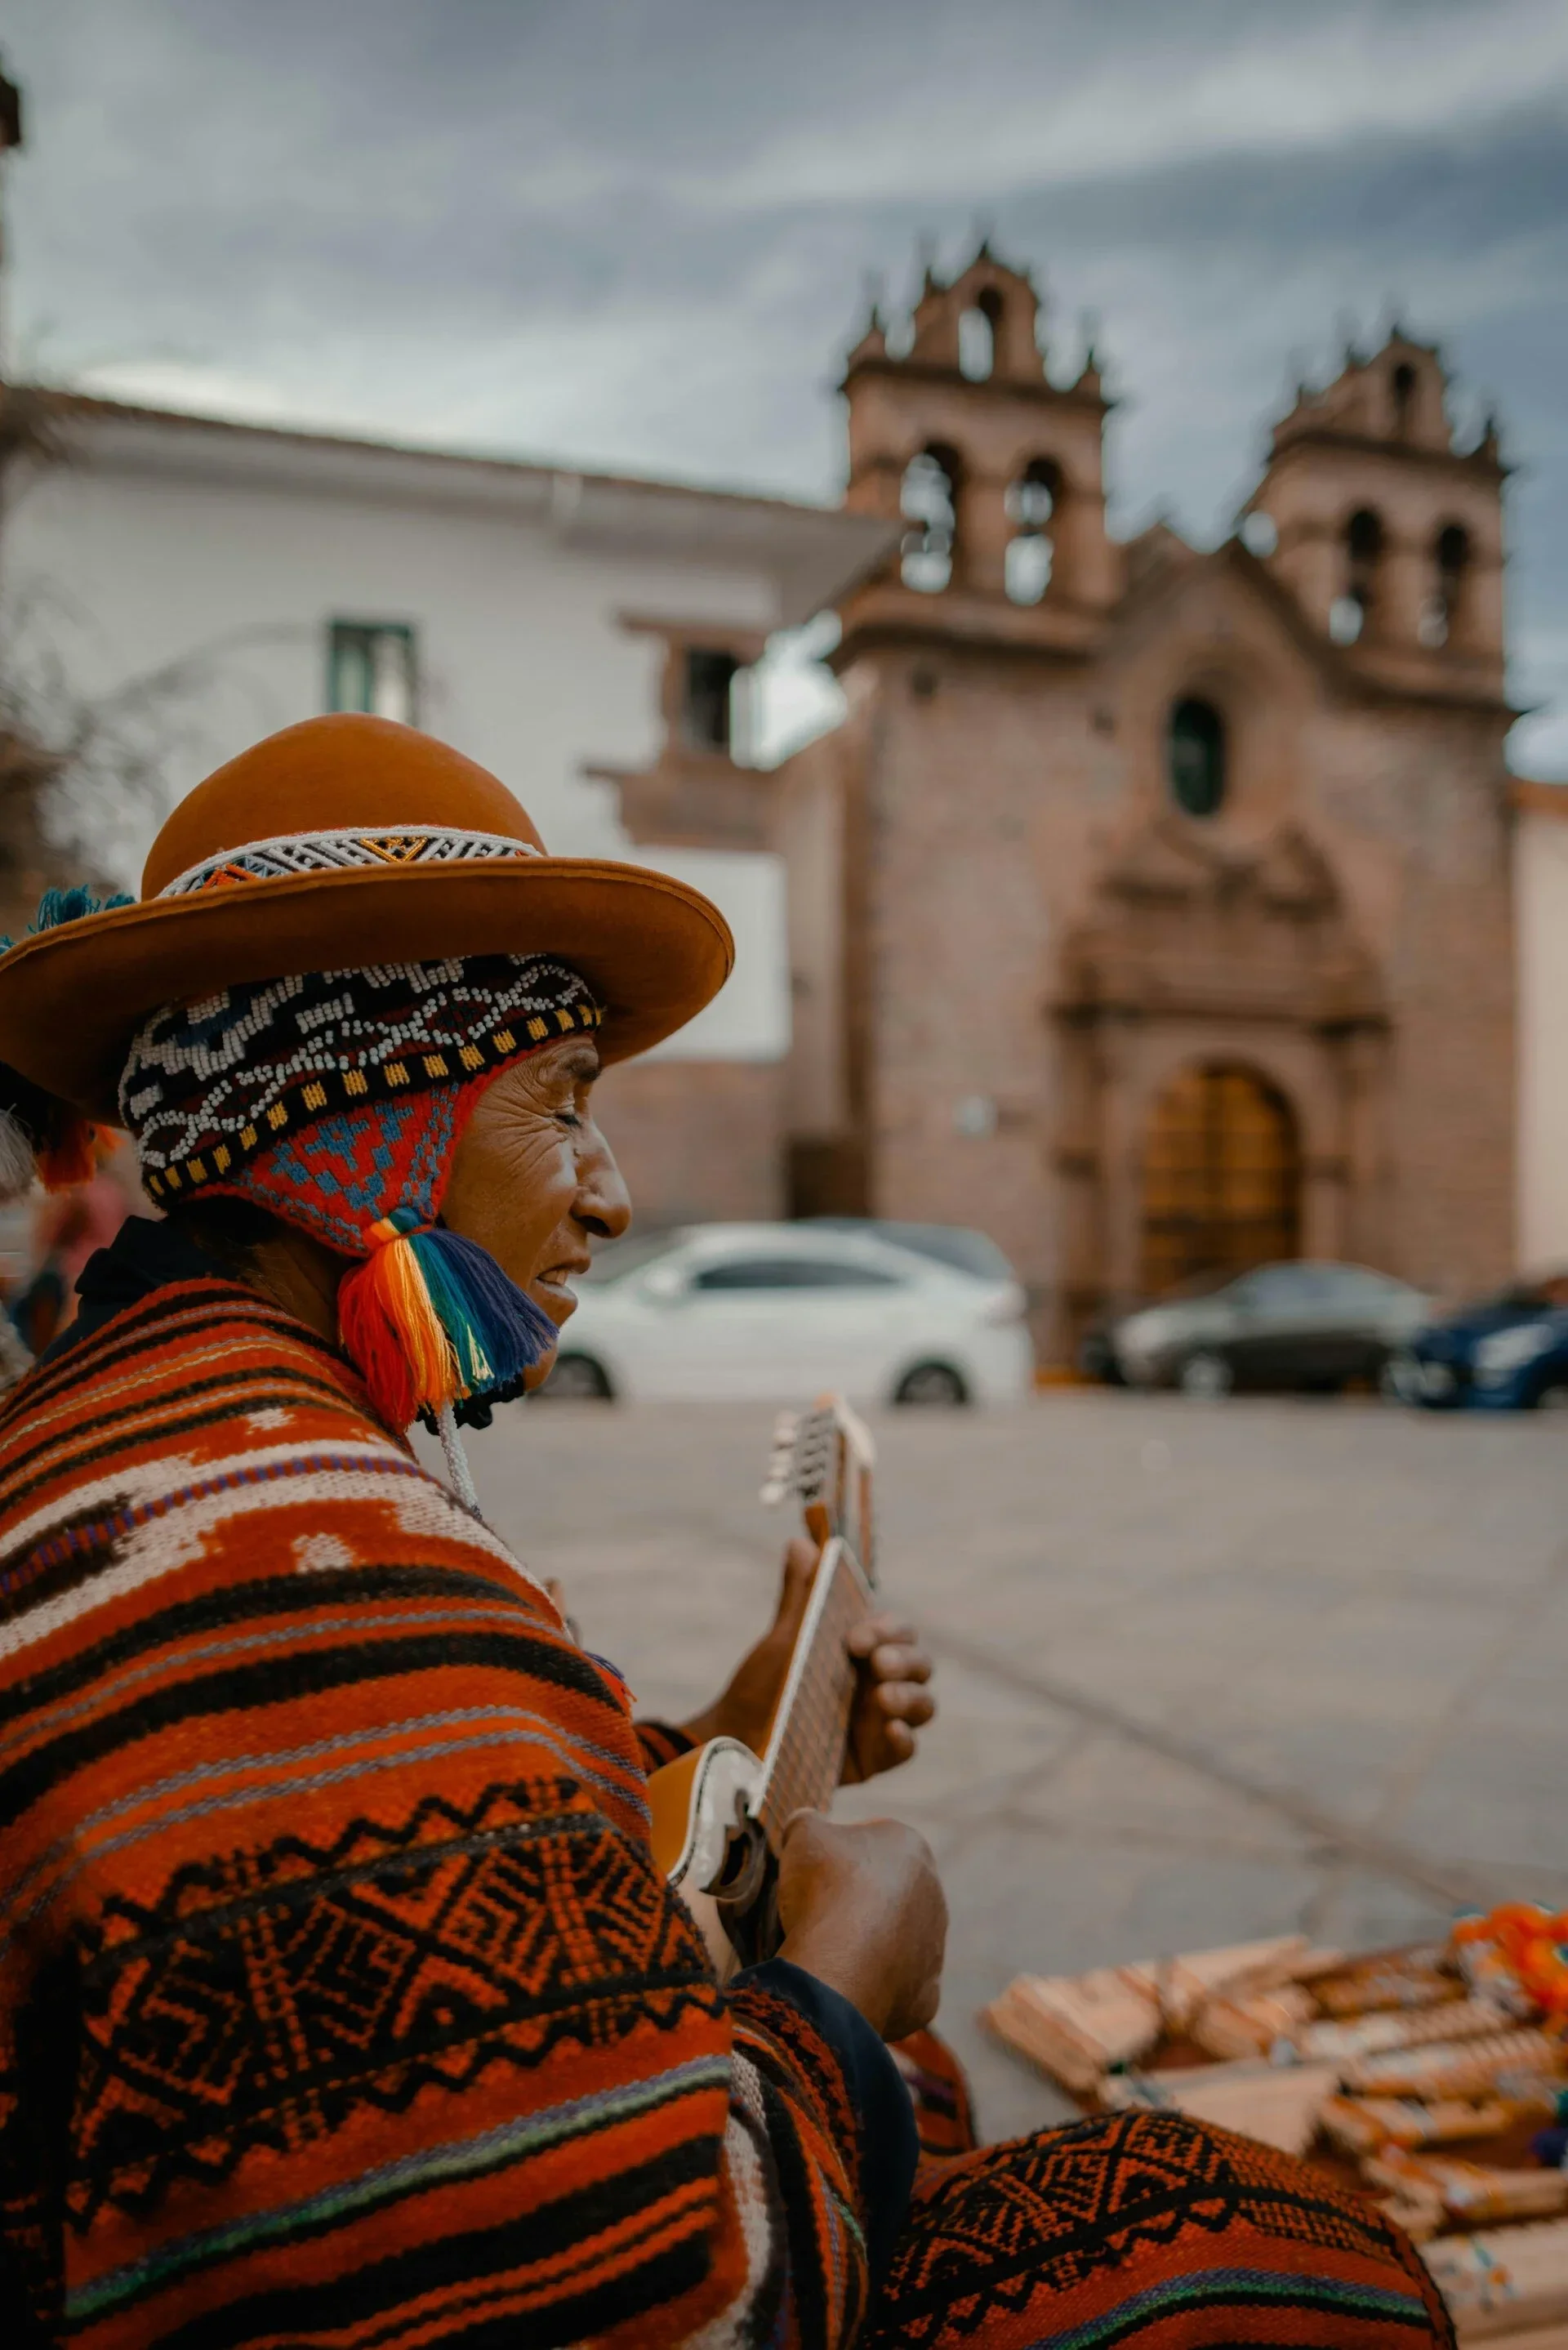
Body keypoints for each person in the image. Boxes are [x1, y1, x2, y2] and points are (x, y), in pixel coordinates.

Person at [0, 716, 1453, 2349]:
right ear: (364, 1135)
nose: (610, 1195)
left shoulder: (156, 1430)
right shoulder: (297, 1564)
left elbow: (458, 1879)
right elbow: (662, 2306)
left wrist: (739, 1726)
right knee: (1248, 2262)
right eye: (562, 1107)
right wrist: (837, 1985)